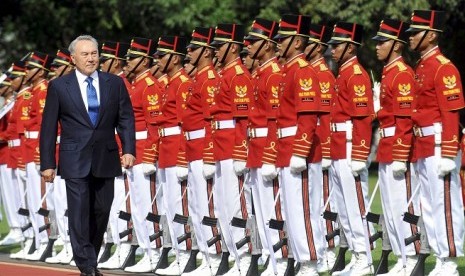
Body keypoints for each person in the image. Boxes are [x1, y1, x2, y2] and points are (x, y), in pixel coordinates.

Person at [39, 35, 136, 276]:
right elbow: (49, 127)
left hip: (106, 156)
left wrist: (130, 149)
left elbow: (125, 119)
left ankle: (89, 254)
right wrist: (48, 163)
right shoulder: (60, 86)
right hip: (74, 159)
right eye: (85, 54)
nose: (91, 58)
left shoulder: (114, 83)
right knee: (79, 211)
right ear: (73, 58)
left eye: (94, 53)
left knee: (102, 209)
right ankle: (87, 265)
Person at [407, 10, 465, 275]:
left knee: (445, 204)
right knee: (428, 205)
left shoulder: (443, 67)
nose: (410, 38)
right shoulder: (422, 67)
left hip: (440, 144)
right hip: (424, 145)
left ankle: (450, 258)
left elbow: (451, 112)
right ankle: (440, 256)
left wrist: (449, 150)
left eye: (415, 33)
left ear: (431, 35)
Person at [372, 18, 421, 275]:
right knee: (390, 208)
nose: (377, 47)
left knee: (403, 206)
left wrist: (401, 154)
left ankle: (412, 258)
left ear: (397, 45)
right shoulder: (390, 72)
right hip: (387, 144)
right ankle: (403, 259)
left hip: (398, 146)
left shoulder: (402, 73)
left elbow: (405, 117)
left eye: (383, 42)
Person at [327, 22, 374, 276]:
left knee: (356, 206)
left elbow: (363, 118)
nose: (332, 49)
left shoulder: (355, 74)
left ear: (350, 46)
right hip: (337, 147)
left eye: (337, 45)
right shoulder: (343, 73)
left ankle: (365, 256)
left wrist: (359, 154)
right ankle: (358, 256)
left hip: (348, 147)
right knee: (344, 208)